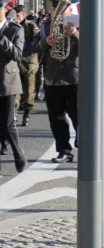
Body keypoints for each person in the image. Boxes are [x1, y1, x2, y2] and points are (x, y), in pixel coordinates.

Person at [0, 0, 27, 178]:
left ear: (5, 10)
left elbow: (17, 55)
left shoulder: (15, 29)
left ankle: (18, 153)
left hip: (8, 82)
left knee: (7, 125)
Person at [43, 19, 79, 162]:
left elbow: (92, 46)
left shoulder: (83, 23)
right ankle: (64, 150)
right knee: (56, 119)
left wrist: (75, 33)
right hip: (53, 78)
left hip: (74, 79)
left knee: (78, 116)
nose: (57, 10)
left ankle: (83, 142)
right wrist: (45, 42)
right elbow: (32, 48)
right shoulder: (46, 26)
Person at [16, 5, 40, 126]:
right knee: (15, 89)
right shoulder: (13, 27)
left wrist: (25, 56)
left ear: (24, 16)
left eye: (18, 16)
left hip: (29, 61)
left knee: (29, 89)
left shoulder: (31, 26)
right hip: (16, 60)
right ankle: (14, 113)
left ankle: (26, 114)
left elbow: (36, 44)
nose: (16, 18)